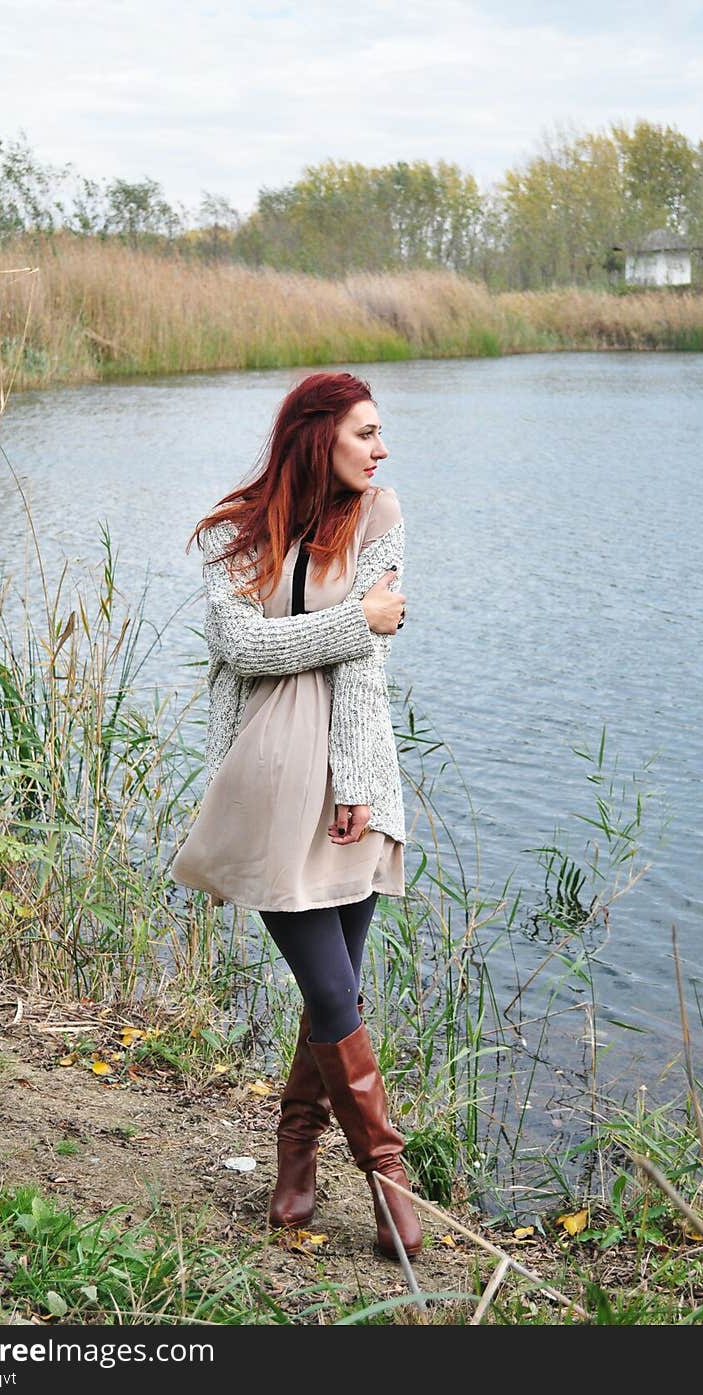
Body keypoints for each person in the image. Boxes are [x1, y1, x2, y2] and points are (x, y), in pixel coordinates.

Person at [170, 370, 422, 1260]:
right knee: (329, 988)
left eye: (380, 433)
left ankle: (294, 1164)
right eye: (365, 433)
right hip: (268, 779)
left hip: (355, 777)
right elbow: (240, 648)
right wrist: (360, 618)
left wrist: (356, 780)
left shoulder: (381, 516)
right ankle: (389, 1179)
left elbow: (362, 668)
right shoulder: (236, 530)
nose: (381, 448)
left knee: (339, 991)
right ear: (317, 435)